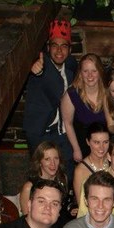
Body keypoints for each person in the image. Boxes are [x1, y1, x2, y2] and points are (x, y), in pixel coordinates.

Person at [23, 19, 77, 174]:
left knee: (69, 173)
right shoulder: (40, 65)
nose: (59, 51)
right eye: (54, 45)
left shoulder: (71, 66)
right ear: (48, 47)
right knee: (42, 176)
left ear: (70, 49)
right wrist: (36, 69)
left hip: (63, 133)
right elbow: (38, 71)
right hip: (41, 132)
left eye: (64, 46)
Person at [61, 53, 114, 164]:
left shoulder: (107, 92)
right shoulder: (72, 94)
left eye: (94, 71)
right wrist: (76, 149)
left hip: (105, 144)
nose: (90, 75)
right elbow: (68, 124)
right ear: (80, 73)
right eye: (85, 71)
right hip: (83, 144)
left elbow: (111, 124)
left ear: (100, 72)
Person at [18, 141, 69, 216]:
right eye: (47, 159)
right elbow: (26, 218)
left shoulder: (62, 178)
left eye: (56, 158)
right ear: (39, 162)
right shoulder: (29, 187)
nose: (53, 163)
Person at [72, 122, 111, 213]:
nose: (101, 147)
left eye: (105, 142)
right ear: (88, 142)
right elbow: (82, 207)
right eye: (96, 142)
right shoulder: (80, 171)